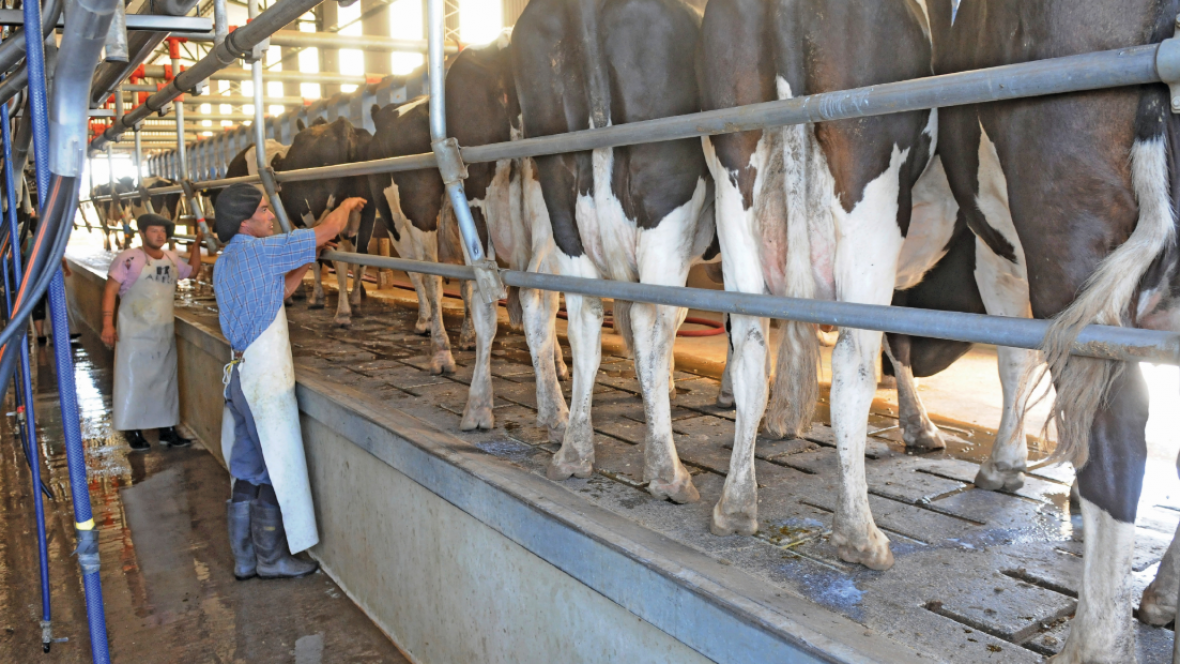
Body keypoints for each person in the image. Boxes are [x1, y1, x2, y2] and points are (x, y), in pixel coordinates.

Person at [213, 184, 360, 580]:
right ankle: (274, 558)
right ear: (245, 220)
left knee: (247, 470)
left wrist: (308, 261)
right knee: (277, 467)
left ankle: (246, 561)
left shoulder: (227, 260)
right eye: (264, 210)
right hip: (265, 381)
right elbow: (328, 228)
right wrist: (346, 202)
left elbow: (277, 293)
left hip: (240, 379)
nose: (271, 215)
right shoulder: (260, 251)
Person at [102, 213, 201, 452]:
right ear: (143, 233)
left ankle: (167, 430)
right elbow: (110, 290)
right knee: (133, 380)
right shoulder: (129, 259)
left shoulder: (171, 258)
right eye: (154, 231)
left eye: (163, 232)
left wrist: (196, 245)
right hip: (133, 331)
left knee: (164, 381)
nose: (159, 235)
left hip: (163, 330)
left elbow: (194, 272)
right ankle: (132, 430)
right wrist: (107, 324)